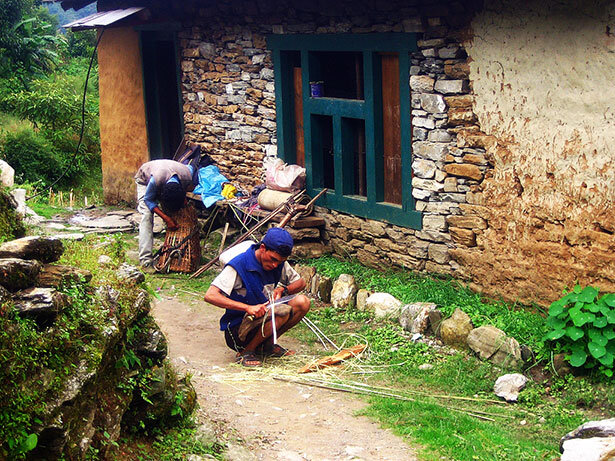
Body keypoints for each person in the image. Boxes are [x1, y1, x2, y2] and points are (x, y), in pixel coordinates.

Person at [204, 227, 311, 367]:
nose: (275, 265)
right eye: (273, 259)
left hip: (263, 320)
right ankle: (246, 351)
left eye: (279, 262)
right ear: (262, 248)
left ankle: (267, 345)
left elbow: (301, 283)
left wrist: (283, 290)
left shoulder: (278, 263)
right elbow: (210, 295)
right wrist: (247, 307)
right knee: (281, 312)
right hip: (238, 330)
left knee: (303, 302)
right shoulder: (239, 265)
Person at [135, 159, 196, 270]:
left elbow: (191, 168)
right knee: (147, 215)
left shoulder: (187, 176)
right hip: (145, 179)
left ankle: (169, 249)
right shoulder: (155, 180)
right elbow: (148, 200)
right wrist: (166, 218)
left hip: (167, 174)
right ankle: (146, 260)